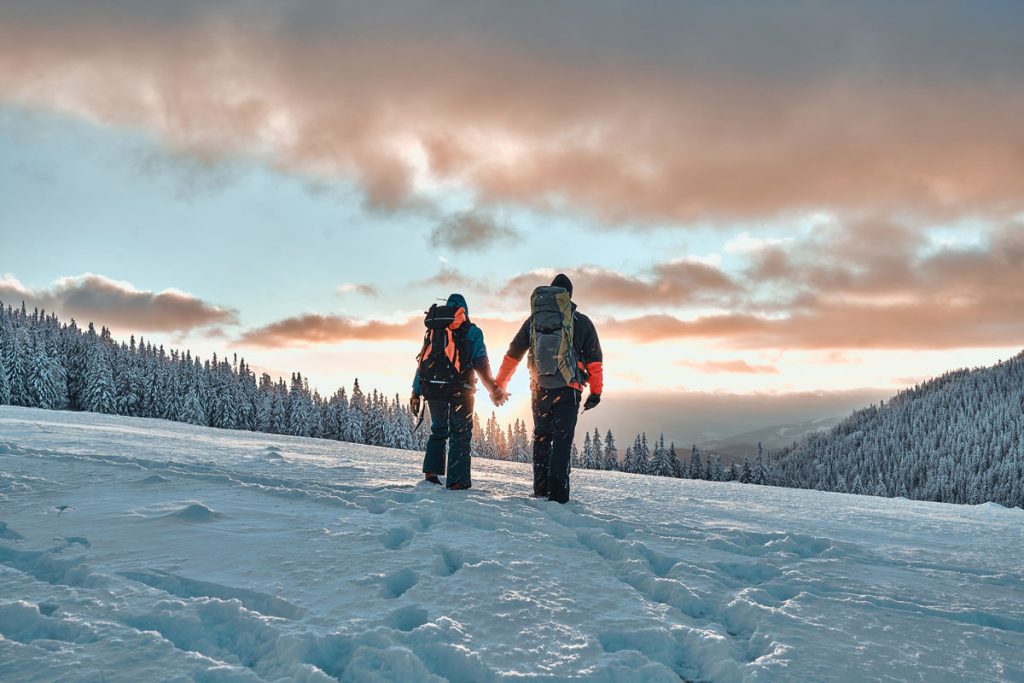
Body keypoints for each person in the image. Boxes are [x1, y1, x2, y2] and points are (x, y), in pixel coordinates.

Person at [495, 274, 603, 503]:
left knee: (542, 438)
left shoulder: (534, 321)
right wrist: (596, 392)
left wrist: (500, 384)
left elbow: (513, 354)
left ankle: (540, 489)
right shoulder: (581, 322)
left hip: (540, 389)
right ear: (568, 296)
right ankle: (558, 495)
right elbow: (594, 361)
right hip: (569, 389)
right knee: (562, 442)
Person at [410, 293, 506, 490]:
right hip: (461, 390)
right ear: (465, 310)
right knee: (460, 433)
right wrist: (494, 389)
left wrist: (415, 392)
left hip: (433, 387)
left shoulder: (435, 330)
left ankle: (431, 473)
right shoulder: (472, 332)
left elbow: (422, 362)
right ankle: (457, 481)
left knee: (438, 429)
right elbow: (481, 363)